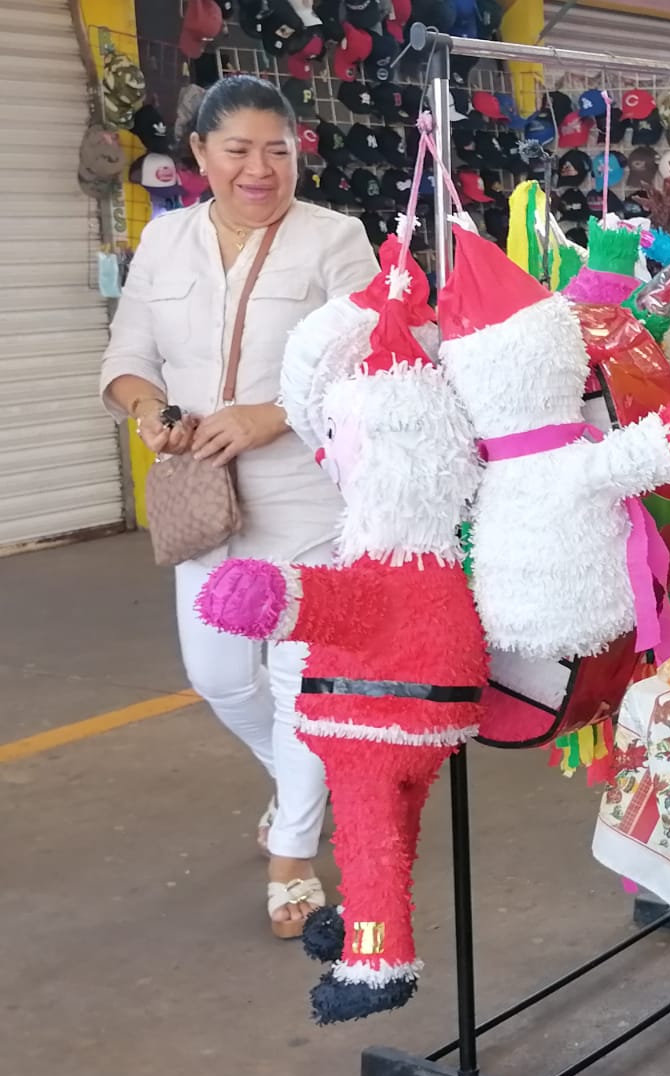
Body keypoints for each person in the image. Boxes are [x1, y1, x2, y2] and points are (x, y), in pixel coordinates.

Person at [98, 76, 380, 938]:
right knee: (219, 676)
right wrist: (151, 411)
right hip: (201, 499)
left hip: (308, 494)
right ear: (199, 157)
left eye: (278, 151)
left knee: (301, 676)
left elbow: (376, 358)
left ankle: (293, 850)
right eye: (239, 150)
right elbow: (126, 358)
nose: (260, 170)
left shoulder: (337, 238)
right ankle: (301, 777)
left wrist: (276, 415)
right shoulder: (166, 242)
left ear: (298, 153)